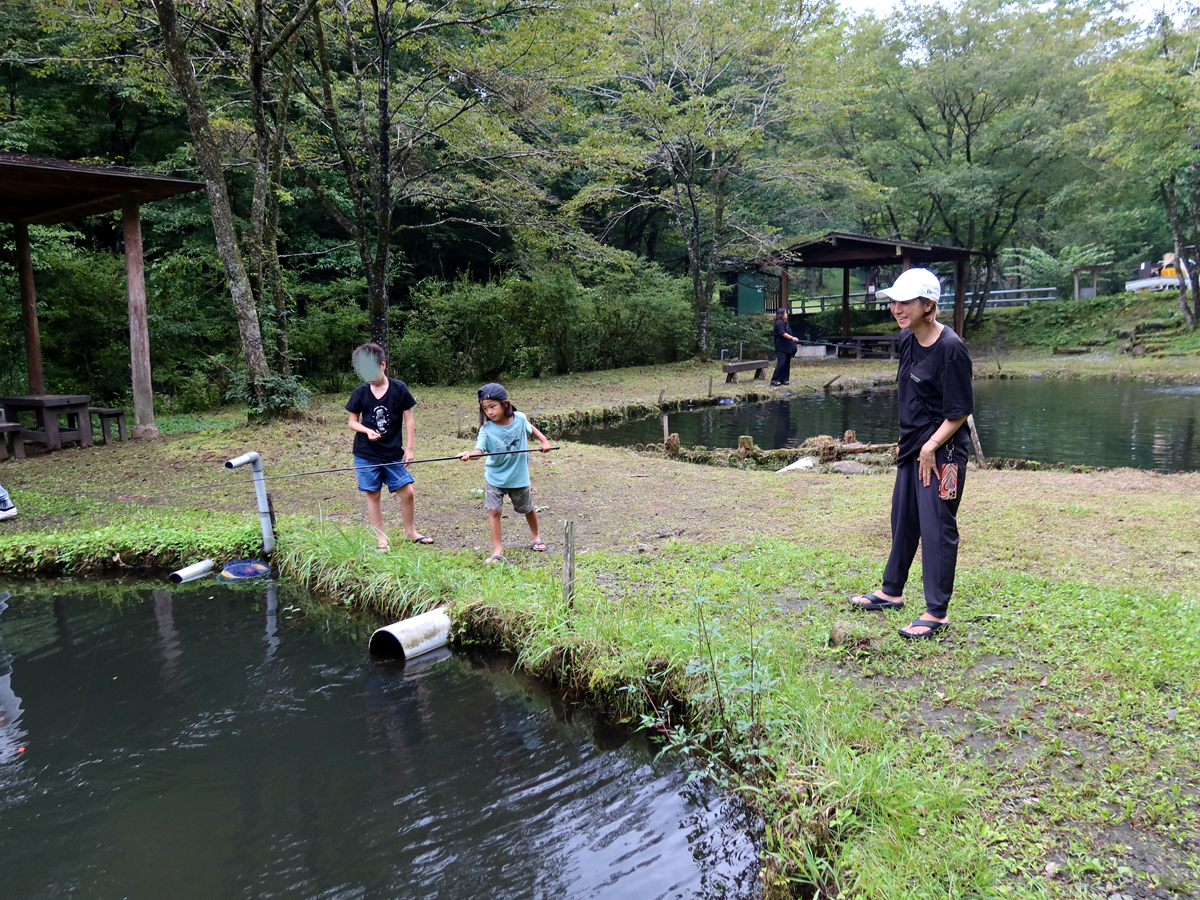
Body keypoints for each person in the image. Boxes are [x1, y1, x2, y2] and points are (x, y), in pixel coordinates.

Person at [849, 268, 973, 638]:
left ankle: (936, 612)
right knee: (903, 520)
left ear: (928, 305)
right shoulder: (908, 340)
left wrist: (932, 447)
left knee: (937, 528)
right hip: (913, 449)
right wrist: (911, 445)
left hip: (944, 454)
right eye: (894, 301)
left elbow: (960, 410)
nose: (897, 308)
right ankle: (891, 591)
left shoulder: (951, 348)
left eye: (905, 302)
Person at [345, 342, 433, 551]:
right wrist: (366, 430)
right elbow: (352, 422)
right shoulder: (360, 392)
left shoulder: (399, 388)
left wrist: (409, 449)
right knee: (373, 494)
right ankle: (381, 538)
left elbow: (409, 420)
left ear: (383, 365)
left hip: (393, 452)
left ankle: (410, 532)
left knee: (408, 492)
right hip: (366, 453)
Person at [458, 383, 552, 564]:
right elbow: (479, 451)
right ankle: (498, 550)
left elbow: (531, 428)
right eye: (485, 409)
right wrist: (469, 455)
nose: (489, 412)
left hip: (518, 476)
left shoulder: (520, 419)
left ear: (505, 404)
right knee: (494, 512)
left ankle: (536, 537)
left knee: (528, 508)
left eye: (492, 407)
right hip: (495, 478)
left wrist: (544, 441)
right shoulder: (486, 430)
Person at [770, 307, 800, 386]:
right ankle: (775, 380)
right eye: (785, 313)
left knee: (787, 364)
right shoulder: (779, 323)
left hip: (787, 348)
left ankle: (784, 379)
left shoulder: (784, 324)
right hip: (781, 347)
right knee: (781, 363)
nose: (787, 314)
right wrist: (792, 338)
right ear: (781, 314)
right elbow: (782, 333)